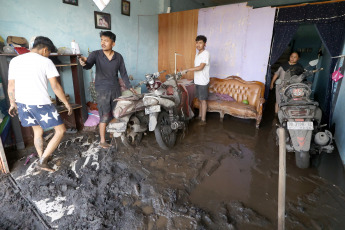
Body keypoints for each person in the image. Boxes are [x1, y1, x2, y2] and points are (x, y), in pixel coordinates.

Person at [8, 36, 72, 172]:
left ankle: (42, 156)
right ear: (44, 50)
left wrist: (12, 103)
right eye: (49, 52)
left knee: (37, 131)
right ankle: (42, 161)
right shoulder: (45, 62)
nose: (48, 55)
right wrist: (66, 103)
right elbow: (55, 86)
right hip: (40, 103)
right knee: (60, 130)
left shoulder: (15, 60)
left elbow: (11, 85)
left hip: (22, 103)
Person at [79, 31, 136, 148]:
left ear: (113, 43)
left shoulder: (118, 57)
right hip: (102, 89)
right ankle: (102, 140)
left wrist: (130, 87)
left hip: (115, 88)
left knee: (116, 113)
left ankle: (111, 134)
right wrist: (83, 63)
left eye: (106, 40)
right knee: (104, 114)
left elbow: (124, 74)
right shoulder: (96, 54)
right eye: (101, 40)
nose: (103, 43)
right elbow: (88, 65)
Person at [182, 35, 210, 125]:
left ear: (205, 44)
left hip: (203, 81)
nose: (198, 44)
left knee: (203, 100)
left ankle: (203, 120)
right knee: (199, 100)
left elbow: (201, 67)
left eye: (200, 42)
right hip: (197, 81)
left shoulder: (206, 53)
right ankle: (200, 116)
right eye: (197, 42)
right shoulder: (197, 54)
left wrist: (187, 70)